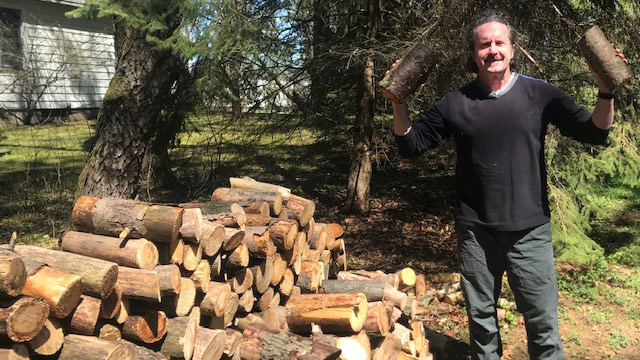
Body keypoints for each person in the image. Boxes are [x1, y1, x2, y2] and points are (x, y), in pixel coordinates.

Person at [388, 10, 627, 360]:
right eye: (484, 44)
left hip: (530, 231)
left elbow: (594, 132)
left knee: (543, 328)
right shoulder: (456, 102)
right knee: (482, 327)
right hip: (476, 235)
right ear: (474, 54)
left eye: (500, 42)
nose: (493, 50)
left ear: (513, 50)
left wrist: (605, 90)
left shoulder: (541, 95)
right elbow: (410, 144)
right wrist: (400, 102)